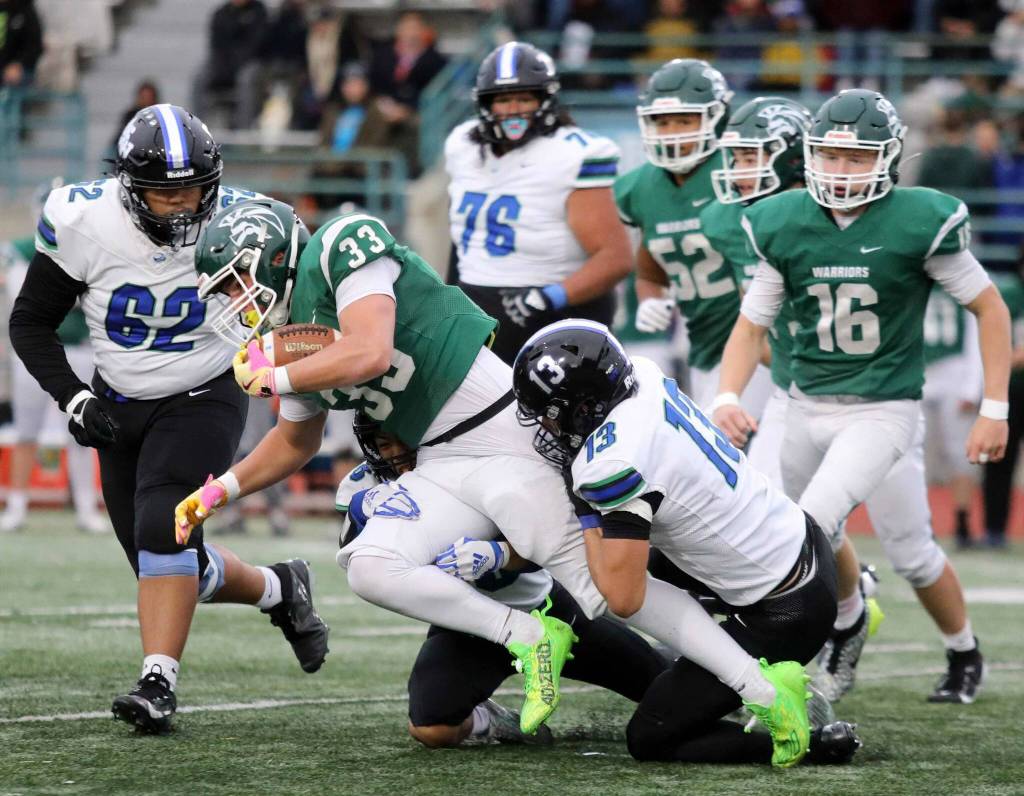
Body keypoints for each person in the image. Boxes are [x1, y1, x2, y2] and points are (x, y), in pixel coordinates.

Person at [177, 197, 822, 745]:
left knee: (606, 592)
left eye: (236, 282)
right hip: (440, 462)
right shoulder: (291, 342)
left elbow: (369, 350)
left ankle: (760, 687)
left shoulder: (341, 244)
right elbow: (294, 443)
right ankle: (526, 635)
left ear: (273, 255)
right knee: (369, 564)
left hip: (505, 434)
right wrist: (216, 490)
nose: (237, 302)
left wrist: (279, 373)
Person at [8, 104, 329, 735]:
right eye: (163, 191)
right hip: (118, 395)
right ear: (129, 187)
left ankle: (157, 682)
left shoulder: (247, 218)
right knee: (172, 563)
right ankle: (279, 587)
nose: (181, 206)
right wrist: (75, 398)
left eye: (191, 189)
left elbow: (304, 296)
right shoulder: (82, 219)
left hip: (205, 389)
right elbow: (30, 322)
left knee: (164, 526)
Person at [712, 89, 1010, 704]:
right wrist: (726, 395)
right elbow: (751, 326)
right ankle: (848, 617)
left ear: (889, 158)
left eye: (857, 159)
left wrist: (994, 408)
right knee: (799, 528)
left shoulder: (918, 218)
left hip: (882, 409)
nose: (840, 171)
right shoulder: (781, 219)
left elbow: (990, 306)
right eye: (829, 156)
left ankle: (958, 650)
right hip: (802, 403)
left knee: (857, 539)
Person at [512, 320, 860, 768]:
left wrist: (581, 503)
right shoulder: (641, 374)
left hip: (787, 608)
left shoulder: (612, 462)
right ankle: (719, 662)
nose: (544, 424)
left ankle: (807, 736)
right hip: (794, 535)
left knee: (651, 736)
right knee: (642, 563)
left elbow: (622, 597)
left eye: (550, 412)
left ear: (584, 407)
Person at [337, 412, 669, 747]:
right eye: (383, 444)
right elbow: (368, 565)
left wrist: (499, 554)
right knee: (432, 728)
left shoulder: (476, 462)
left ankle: (677, 660)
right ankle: (492, 722)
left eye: (403, 440)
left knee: (664, 687)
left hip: (546, 612)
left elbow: (552, 544)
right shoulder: (366, 487)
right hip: (469, 626)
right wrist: (361, 515)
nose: (396, 454)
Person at [445, 41, 631, 365]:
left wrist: (548, 297)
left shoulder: (575, 153)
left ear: (546, 100)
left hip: (549, 319)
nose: (514, 109)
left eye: (524, 97)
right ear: (486, 103)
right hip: (474, 313)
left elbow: (615, 258)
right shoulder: (462, 145)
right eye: (503, 99)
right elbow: (461, 235)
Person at [614, 58, 772, 415]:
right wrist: (651, 296)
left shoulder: (741, 173)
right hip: (702, 346)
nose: (673, 133)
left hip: (758, 344)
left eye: (685, 120)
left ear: (716, 117)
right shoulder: (637, 187)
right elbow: (651, 268)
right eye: (663, 122)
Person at [1, 187, 107, 534]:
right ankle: (16, 505)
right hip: (33, 351)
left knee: (82, 427)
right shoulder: (20, 250)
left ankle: (86, 507)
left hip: (79, 346)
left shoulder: (87, 245)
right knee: (26, 430)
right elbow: (22, 298)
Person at [922, 286, 983, 547]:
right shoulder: (908, 272)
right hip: (917, 371)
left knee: (959, 453)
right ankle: (920, 524)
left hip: (954, 373)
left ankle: (962, 522)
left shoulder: (959, 278)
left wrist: (973, 386)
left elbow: (975, 335)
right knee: (915, 455)